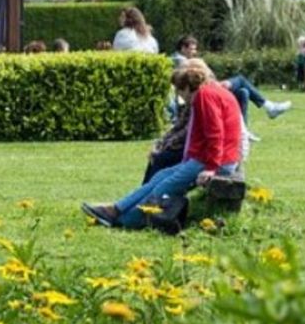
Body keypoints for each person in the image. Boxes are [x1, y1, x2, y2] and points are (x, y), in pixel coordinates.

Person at [83, 59, 243, 230]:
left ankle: (125, 221)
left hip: (215, 161)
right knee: (160, 176)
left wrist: (211, 168)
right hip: (208, 158)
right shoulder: (212, 91)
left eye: (180, 91)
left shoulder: (205, 96)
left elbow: (215, 134)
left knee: (164, 186)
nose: (181, 96)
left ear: (188, 87)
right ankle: (115, 209)